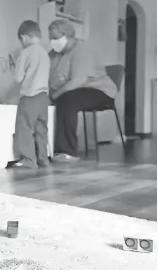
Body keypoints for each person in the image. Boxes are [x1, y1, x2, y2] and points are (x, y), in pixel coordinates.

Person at [48, 19, 118, 162]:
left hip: (99, 90)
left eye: (55, 38)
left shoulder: (82, 50)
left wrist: (54, 95)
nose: (52, 42)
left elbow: (78, 81)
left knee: (67, 99)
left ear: (67, 35)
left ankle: (66, 152)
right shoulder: (54, 54)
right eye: (50, 38)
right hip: (73, 91)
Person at [12, 20, 51, 168]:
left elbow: (18, 77)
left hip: (30, 96)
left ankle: (28, 159)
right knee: (41, 129)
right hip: (43, 97)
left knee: (25, 127)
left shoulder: (26, 52)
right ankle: (43, 158)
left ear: (24, 37)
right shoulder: (45, 54)